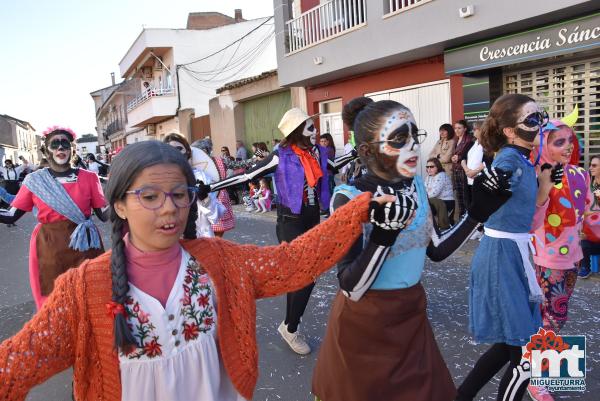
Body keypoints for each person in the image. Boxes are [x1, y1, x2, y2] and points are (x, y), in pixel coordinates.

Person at [0, 140, 395, 401]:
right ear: (118, 205)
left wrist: (357, 210)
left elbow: (290, 263)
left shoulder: (218, 261)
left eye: (179, 195)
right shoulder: (83, 289)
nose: (170, 208)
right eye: (150, 197)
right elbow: (18, 362)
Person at [312, 96, 513, 401]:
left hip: (411, 318)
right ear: (367, 150)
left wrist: (477, 214)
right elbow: (350, 286)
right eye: (399, 139)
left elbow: (436, 249)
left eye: (414, 136)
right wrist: (383, 236)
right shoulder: (349, 197)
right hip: (364, 328)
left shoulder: (416, 186)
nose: (413, 147)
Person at [209, 108, 357, 355]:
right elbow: (247, 175)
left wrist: (355, 154)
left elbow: (333, 165)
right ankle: (290, 327)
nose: (315, 131)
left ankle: (290, 325)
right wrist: (211, 187)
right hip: (289, 223)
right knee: (304, 275)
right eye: (310, 127)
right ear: (298, 132)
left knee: (307, 275)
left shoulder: (318, 153)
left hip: (311, 220)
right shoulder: (280, 156)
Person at [455, 94, 561, 401]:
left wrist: (544, 185)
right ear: (510, 131)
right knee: (525, 355)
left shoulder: (524, 162)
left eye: (541, 117)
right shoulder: (508, 162)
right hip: (501, 258)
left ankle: (460, 396)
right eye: (531, 120)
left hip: (515, 254)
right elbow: (483, 208)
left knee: (510, 345)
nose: (540, 125)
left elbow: (526, 219)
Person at [0, 126, 107, 309]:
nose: (60, 148)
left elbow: (104, 214)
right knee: (56, 302)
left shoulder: (90, 178)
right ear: (45, 151)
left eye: (65, 143)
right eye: (54, 144)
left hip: (86, 244)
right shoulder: (34, 180)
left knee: (91, 297)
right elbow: (11, 216)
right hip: (49, 246)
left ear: (72, 149)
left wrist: (128, 200)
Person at [527, 107, 586, 401]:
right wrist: (544, 185)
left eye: (569, 140)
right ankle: (537, 380)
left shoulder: (581, 174)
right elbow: (531, 219)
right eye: (558, 142)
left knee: (557, 318)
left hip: (573, 257)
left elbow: (585, 212)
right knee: (548, 318)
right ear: (543, 145)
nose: (567, 147)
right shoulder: (538, 176)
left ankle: (542, 370)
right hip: (548, 260)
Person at [164, 133, 224, 239]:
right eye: (170, 149)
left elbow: (215, 217)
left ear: (187, 152)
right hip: (172, 242)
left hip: (201, 241)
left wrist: (205, 199)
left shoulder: (202, 177)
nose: (175, 154)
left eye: (178, 149)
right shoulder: (159, 180)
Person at [192, 137, 236, 237]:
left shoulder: (219, 161)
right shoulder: (194, 165)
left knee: (215, 233)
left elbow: (237, 165)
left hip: (216, 198)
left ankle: (216, 248)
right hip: (211, 199)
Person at [580, 155, 600, 278]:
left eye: (594, 165)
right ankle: (585, 266)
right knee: (581, 238)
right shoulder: (587, 185)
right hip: (590, 229)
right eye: (590, 165)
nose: (590, 168)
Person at [451, 119, 474, 217]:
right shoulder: (456, 140)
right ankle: (461, 217)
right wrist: (454, 157)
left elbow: (466, 154)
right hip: (456, 170)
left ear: (465, 129)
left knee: (465, 196)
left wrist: (458, 157)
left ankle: (467, 218)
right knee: (459, 195)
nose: (457, 130)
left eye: (459, 128)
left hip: (464, 170)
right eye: (455, 128)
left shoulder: (469, 139)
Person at [425, 157, 454, 229]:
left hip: (446, 202)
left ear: (437, 167)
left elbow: (433, 193)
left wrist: (428, 190)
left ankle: (443, 226)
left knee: (424, 206)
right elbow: (424, 191)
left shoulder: (441, 175)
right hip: (435, 202)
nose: (429, 169)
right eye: (427, 167)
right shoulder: (429, 177)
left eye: (431, 167)